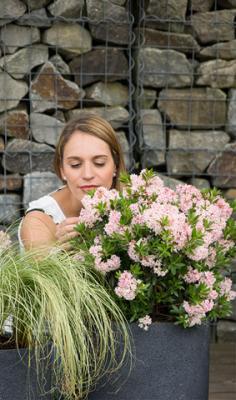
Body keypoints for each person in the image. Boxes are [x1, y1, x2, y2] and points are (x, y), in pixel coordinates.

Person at [19, 114, 126, 250]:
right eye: (75, 164)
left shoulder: (136, 204)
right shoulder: (39, 221)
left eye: (99, 163)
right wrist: (61, 253)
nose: (87, 175)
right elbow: (42, 269)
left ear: (115, 166)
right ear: (62, 169)